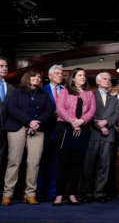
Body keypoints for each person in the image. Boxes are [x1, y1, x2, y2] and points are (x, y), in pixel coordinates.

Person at [1, 69, 52, 206]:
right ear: (27, 78)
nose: (36, 78)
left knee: (34, 162)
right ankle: (7, 194)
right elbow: (12, 109)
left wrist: (36, 122)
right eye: (33, 76)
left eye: (38, 76)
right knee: (14, 162)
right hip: (17, 128)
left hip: (37, 129)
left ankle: (30, 194)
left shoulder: (44, 94)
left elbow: (48, 111)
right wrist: (29, 121)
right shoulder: (17, 92)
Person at [53, 68, 96, 206]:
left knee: (77, 163)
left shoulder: (90, 94)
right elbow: (60, 109)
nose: (83, 77)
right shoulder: (65, 91)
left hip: (82, 129)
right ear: (73, 78)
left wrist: (81, 121)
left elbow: (92, 111)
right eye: (80, 75)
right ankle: (59, 195)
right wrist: (73, 122)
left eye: (84, 75)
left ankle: (72, 194)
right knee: (62, 163)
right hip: (65, 128)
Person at [82, 72, 119, 203]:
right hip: (93, 134)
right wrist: (99, 125)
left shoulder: (114, 99)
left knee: (105, 166)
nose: (107, 81)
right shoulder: (90, 95)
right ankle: (87, 193)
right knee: (88, 166)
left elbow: (116, 115)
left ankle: (99, 193)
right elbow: (87, 113)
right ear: (98, 82)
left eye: (109, 79)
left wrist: (106, 123)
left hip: (108, 137)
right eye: (104, 79)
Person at [37, 64, 64, 202]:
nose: (60, 75)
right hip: (45, 131)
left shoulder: (65, 91)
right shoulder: (42, 90)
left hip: (61, 132)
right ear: (50, 75)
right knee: (41, 163)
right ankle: (39, 192)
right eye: (57, 73)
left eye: (61, 73)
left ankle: (52, 193)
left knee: (56, 164)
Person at [0, 56, 16, 198]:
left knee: (4, 162)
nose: (4, 68)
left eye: (5, 66)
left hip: (6, 131)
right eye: (1, 66)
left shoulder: (11, 88)